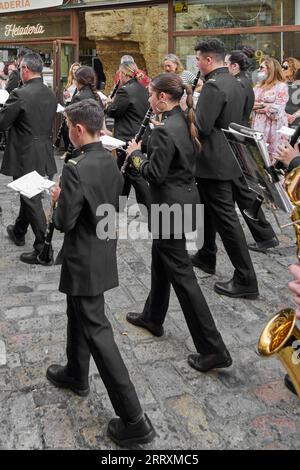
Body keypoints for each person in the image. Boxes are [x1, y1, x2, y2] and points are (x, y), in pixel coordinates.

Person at [47, 99, 155, 447]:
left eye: (67, 126)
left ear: (78, 129)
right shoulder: (110, 158)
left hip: (84, 257)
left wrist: (56, 200)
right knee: (76, 313)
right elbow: (111, 206)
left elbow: (65, 221)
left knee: (98, 332)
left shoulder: (75, 167)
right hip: (100, 249)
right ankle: (76, 373)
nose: (65, 131)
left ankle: (133, 417)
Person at [124, 72, 232, 373]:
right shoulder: (184, 119)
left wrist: (135, 155)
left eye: (151, 94)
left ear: (162, 97)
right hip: (184, 201)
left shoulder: (163, 129)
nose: (147, 98)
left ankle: (214, 348)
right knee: (161, 259)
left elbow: (154, 174)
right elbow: (172, 158)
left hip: (169, 207)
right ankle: (153, 317)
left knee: (183, 278)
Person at [190, 38, 259, 299]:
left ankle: (246, 278)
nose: (196, 63)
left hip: (214, 162)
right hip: (232, 157)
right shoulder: (237, 82)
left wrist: (189, 111)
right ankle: (207, 254)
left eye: (198, 59)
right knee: (208, 211)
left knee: (227, 221)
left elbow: (203, 127)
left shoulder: (213, 86)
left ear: (208, 60)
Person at [0, 52, 57, 265]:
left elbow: (3, 123)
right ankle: (19, 230)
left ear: (25, 70)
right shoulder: (50, 93)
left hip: (26, 152)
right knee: (28, 194)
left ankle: (44, 249)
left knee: (31, 198)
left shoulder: (20, 94)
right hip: (43, 150)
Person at [224, 49, 279, 254]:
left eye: (227, 63)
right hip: (238, 136)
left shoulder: (239, 83)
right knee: (236, 188)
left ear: (235, 65)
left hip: (236, 139)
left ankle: (265, 235)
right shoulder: (245, 81)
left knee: (242, 188)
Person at [106, 61, 151, 216]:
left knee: (133, 174)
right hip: (139, 134)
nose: (119, 77)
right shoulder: (141, 88)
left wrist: (108, 104)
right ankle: (119, 204)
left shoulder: (125, 91)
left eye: (120, 74)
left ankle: (150, 207)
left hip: (127, 137)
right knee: (123, 172)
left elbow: (113, 111)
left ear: (124, 74)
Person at [63, 65, 105, 163]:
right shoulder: (97, 96)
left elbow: (70, 119)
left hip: (82, 140)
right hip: (95, 139)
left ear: (79, 81)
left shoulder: (79, 97)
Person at [252, 57, 289, 161]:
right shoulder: (257, 86)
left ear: (270, 69)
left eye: (261, 67)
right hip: (258, 126)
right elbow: (249, 104)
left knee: (274, 159)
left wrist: (259, 106)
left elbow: (277, 110)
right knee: (259, 157)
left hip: (274, 128)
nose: (258, 70)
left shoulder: (281, 86)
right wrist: (264, 105)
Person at [281, 58, 300, 129]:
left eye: (285, 67)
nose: (282, 69)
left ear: (294, 69)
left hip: (296, 122)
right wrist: (285, 115)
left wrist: (294, 116)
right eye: (282, 67)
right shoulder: (279, 84)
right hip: (281, 121)